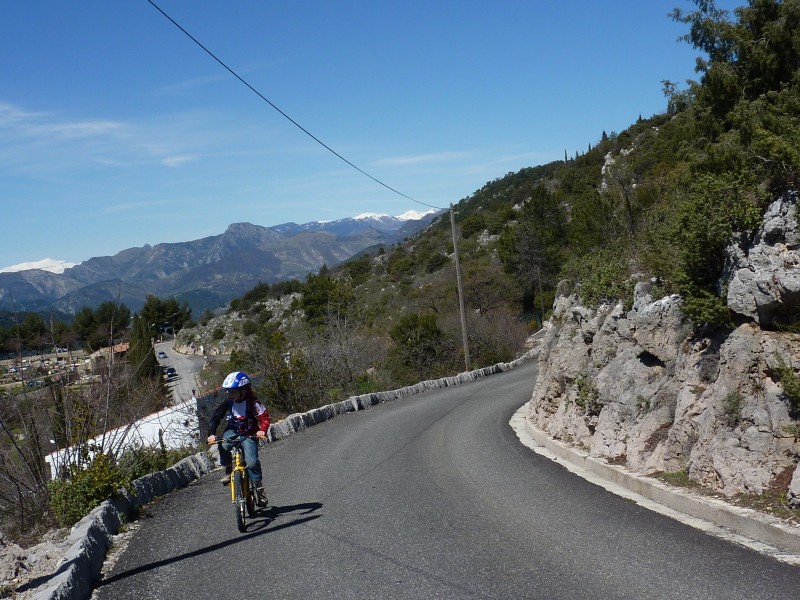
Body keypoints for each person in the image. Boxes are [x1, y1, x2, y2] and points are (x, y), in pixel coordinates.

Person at [207, 371, 270, 507]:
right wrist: (211, 433)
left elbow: (264, 417)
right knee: (223, 444)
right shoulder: (228, 402)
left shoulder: (253, 402)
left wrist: (262, 430)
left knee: (252, 462)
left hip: (249, 434)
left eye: (233, 392)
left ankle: (259, 488)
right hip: (233, 431)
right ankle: (229, 470)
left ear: (244, 390)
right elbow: (216, 418)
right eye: (228, 392)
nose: (230, 395)